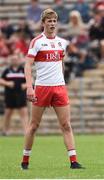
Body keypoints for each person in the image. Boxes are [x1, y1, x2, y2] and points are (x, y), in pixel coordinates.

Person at [21, 8, 84, 170]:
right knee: (33, 125)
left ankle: (74, 161)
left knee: (66, 125)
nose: (52, 24)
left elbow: (61, 63)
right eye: (49, 21)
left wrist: (62, 81)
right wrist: (30, 87)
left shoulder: (62, 43)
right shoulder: (36, 42)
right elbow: (27, 65)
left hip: (59, 88)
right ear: (43, 23)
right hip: (42, 88)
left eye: (54, 21)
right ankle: (25, 161)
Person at [0, 54, 28, 135]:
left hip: (21, 94)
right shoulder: (7, 70)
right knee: (8, 113)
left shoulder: (23, 70)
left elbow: (31, 80)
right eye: (13, 59)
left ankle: (26, 132)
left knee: (24, 113)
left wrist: (25, 85)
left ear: (19, 60)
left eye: (16, 59)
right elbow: (1, 80)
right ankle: (5, 131)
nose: (14, 61)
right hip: (10, 94)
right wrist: (7, 83)